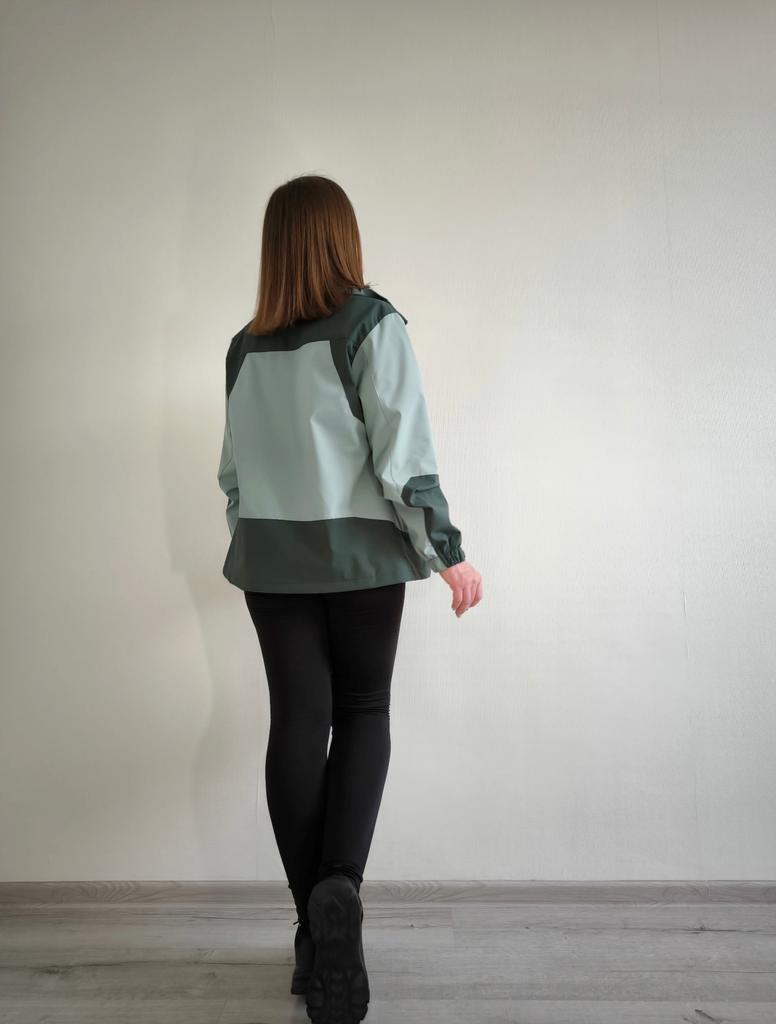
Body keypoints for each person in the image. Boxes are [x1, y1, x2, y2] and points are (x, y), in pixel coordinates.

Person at [217, 174, 483, 1022]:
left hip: (270, 562)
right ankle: (341, 887)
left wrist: (259, 535)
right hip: (361, 560)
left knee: (297, 722)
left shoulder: (246, 347)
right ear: (342, 236)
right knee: (363, 709)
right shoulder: (372, 323)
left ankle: (313, 926)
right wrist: (447, 553)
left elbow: (233, 475)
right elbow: (404, 456)